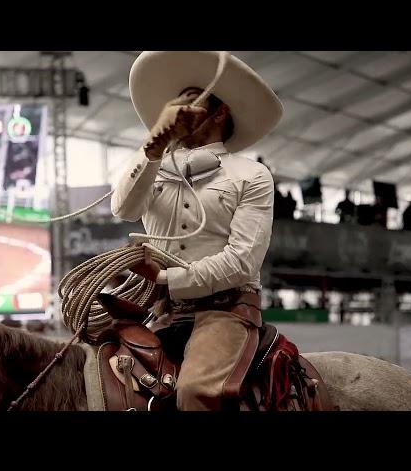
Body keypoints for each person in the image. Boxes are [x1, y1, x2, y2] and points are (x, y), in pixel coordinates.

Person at [111, 51, 283, 411]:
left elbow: (241, 263)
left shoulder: (251, 176)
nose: (176, 109)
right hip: (159, 313)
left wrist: (164, 279)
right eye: (175, 104)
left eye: (190, 102)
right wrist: (156, 142)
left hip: (225, 313)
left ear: (220, 113)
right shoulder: (153, 166)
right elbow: (123, 209)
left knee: (194, 393)